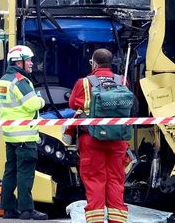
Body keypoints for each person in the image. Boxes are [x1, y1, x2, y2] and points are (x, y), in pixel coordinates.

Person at [67, 48, 130, 223]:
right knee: (116, 181)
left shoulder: (84, 83)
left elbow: (73, 104)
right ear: (111, 63)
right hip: (118, 140)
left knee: (95, 181)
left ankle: (95, 220)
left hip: (92, 139)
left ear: (94, 63)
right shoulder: (122, 81)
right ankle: (117, 220)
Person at [0, 45, 48, 220]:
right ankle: (26, 209)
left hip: (11, 134)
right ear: (19, 61)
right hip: (25, 135)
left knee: (10, 171)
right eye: (28, 60)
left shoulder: (3, 80)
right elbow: (32, 104)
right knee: (25, 172)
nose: (31, 63)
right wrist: (41, 99)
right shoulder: (20, 81)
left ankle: (8, 208)